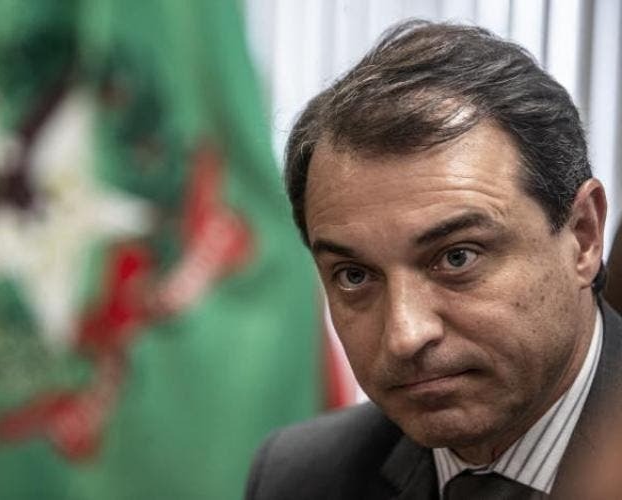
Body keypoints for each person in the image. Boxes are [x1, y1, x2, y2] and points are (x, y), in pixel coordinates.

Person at [246, 20, 621, 499]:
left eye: (457, 257)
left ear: (583, 236)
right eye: (354, 276)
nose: (405, 336)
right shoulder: (301, 476)